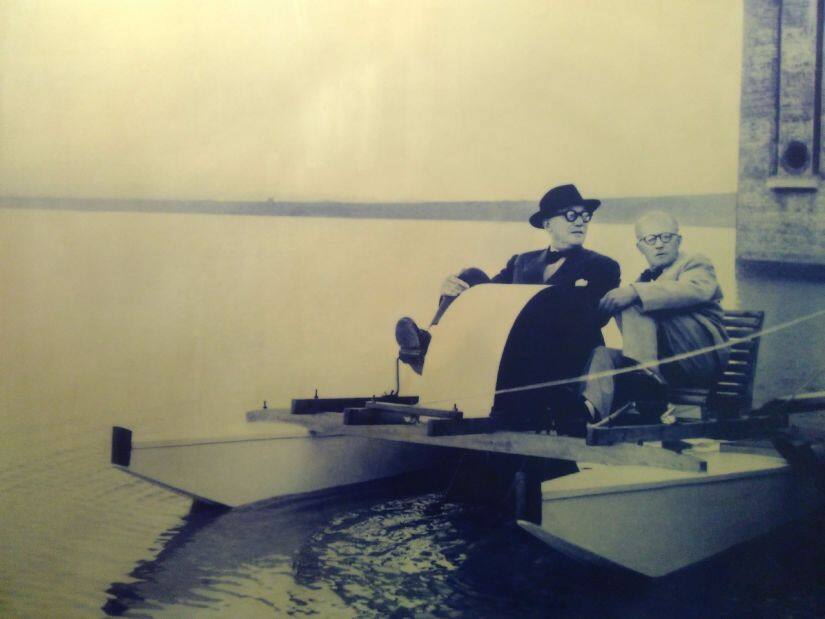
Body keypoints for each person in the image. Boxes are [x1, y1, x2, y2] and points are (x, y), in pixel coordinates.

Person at [395, 183, 621, 430]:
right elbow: (485, 297)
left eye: (585, 216)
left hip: (562, 353)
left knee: (530, 317)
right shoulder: (522, 261)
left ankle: (434, 355)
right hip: (512, 348)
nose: (580, 222)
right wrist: (450, 291)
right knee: (470, 277)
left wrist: (530, 309)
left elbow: (589, 318)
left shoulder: (603, 265)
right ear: (548, 224)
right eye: (571, 215)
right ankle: (430, 345)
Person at [574, 210, 729, 423]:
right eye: (651, 239)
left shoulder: (695, 263)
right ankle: (588, 411)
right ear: (641, 247)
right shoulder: (645, 278)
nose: (659, 244)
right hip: (665, 363)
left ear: (678, 241)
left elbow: (696, 289)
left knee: (631, 300)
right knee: (603, 354)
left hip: (700, 358)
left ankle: (648, 383)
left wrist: (635, 292)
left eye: (666, 237)